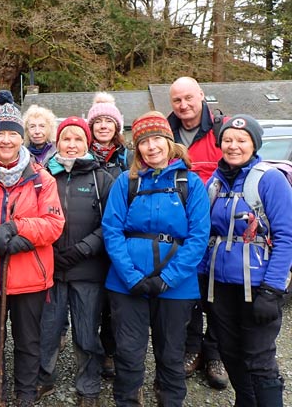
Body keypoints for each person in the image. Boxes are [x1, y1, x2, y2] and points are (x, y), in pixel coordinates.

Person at [0, 90, 65, 407]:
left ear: (22, 139)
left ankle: (25, 396)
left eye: (12, 134)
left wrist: (18, 230)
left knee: (28, 342)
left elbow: (53, 223)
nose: (6, 140)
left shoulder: (42, 180)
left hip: (30, 277)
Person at [102, 111, 210, 406]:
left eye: (157, 139)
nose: (151, 147)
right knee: (128, 353)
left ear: (169, 141)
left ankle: (170, 400)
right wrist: (131, 276)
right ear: (137, 149)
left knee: (172, 355)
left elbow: (199, 236)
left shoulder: (191, 183)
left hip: (177, 286)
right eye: (144, 142)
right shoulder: (127, 182)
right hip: (127, 284)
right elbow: (111, 231)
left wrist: (168, 278)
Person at [199, 115, 292, 407]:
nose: (233, 146)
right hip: (220, 286)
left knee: (259, 358)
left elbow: (287, 236)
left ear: (254, 144)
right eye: (227, 140)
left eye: (241, 140)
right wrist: (200, 280)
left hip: (258, 287)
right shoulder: (215, 183)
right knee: (229, 351)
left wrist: (273, 289)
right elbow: (205, 235)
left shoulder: (269, 180)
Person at [36, 117, 114, 407]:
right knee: (47, 329)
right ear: (57, 142)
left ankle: (89, 386)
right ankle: (43, 378)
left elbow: (111, 224)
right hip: (51, 269)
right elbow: (33, 216)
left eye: (77, 139)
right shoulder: (44, 175)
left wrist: (83, 249)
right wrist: (51, 250)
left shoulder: (101, 178)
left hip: (88, 270)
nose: (71, 145)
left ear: (86, 143)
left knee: (86, 332)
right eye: (66, 139)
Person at [167, 76, 228, 388]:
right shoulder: (166, 131)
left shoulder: (222, 129)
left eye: (189, 98)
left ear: (202, 96)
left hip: (217, 228)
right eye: (177, 100)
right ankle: (193, 350)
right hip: (180, 228)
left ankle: (214, 353)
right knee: (189, 293)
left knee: (216, 295)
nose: (184, 105)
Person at [86, 92, 132, 378]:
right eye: (98, 121)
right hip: (89, 236)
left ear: (117, 127)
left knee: (115, 302)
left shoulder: (127, 159)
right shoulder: (81, 153)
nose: (103, 126)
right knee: (93, 299)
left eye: (109, 121)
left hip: (119, 237)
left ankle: (111, 350)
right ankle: (91, 351)